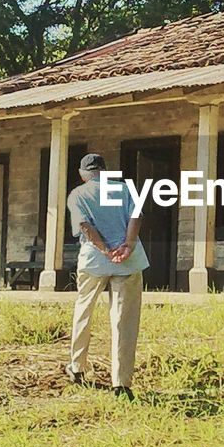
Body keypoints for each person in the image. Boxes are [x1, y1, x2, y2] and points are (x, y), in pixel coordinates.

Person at [65, 152, 148, 399]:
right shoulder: (124, 189)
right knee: (124, 320)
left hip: (94, 260)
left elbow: (84, 226)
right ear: (104, 171)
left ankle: (77, 367)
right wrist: (128, 244)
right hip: (128, 260)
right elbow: (136, 216)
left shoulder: (78, 194)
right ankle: (121, 383)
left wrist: (105, 250)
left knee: (84, 310)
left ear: (83, 175)